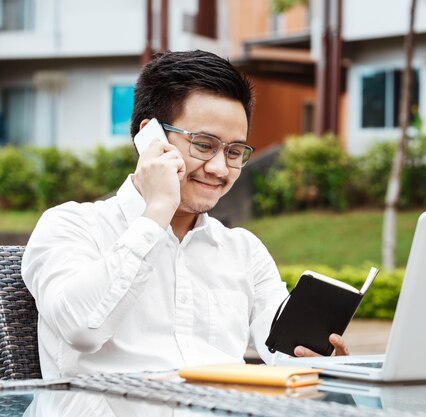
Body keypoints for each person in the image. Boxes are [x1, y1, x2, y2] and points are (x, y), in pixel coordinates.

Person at [22, 50, 347, 379]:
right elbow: (81, 329)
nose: (220, 169)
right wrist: (155, 213)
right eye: (204, 145)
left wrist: (322, 359)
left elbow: (284, 353)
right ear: (151, 137)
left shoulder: (244, 251)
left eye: (234, 152)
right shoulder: (70, 225)